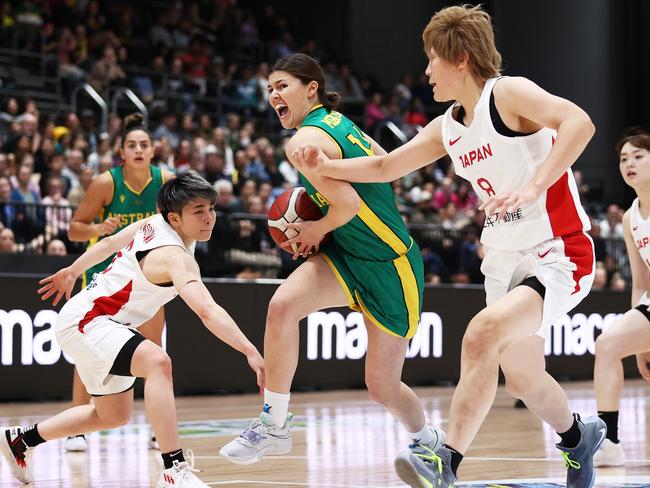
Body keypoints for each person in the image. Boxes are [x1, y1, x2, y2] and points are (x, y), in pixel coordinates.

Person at [291, 6, 604, 487]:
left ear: (459, 58)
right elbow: (385, 167)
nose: (426, 71)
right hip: (502, 260)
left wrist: (536, 185)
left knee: (480, 335)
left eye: (432, 59)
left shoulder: (509, 93)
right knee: (520, 376)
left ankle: (445, 461)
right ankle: (578, 437)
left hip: (558, 249)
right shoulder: (447, 127)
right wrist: (322, 167)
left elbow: (579, 122)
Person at [219, 53, 443, 465]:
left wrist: (316, 227)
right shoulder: (343, 125)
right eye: (269, 89)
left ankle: (428, 439)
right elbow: (385, 168)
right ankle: (274, 424)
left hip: (389, 265)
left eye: (282, 86)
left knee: (382, 387)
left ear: (311, 89)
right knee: (283, 306)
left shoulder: (304, 141)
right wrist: (325, 222)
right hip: (345, 253)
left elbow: (352, 206)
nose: (273, 95)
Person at [0, 172, 264, 487]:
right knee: (158, 362)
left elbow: (111, 243)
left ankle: (21, 440)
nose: (209, 218)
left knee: (111, 415)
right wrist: (250, 351)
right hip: (89, 321)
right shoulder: (175, 258)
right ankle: (174, 470)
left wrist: (73, 270)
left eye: (210, 208)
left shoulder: (155, 224)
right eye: (199, 211)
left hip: (97, 323)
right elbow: (207, 310)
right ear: (175, 218)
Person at [65, 112, 174, 452]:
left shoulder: (166, 181)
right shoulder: (105, 183)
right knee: (88, 353)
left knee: (155, 351)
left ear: (153, 150)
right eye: (132, 145)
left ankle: (158, 427)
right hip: (104, 274)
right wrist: (98, 230)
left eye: (144, 144)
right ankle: (77, 426)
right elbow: (74, 228)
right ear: (122, 153)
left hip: (145, 276)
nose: (139, 150)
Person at [593, 130, 650, 467]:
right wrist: (642, 345)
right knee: (608, 344)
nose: (629, 163)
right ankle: (610, 442)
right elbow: (641, 281)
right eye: (623, 158)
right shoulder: (630, 218)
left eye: (638, 156)